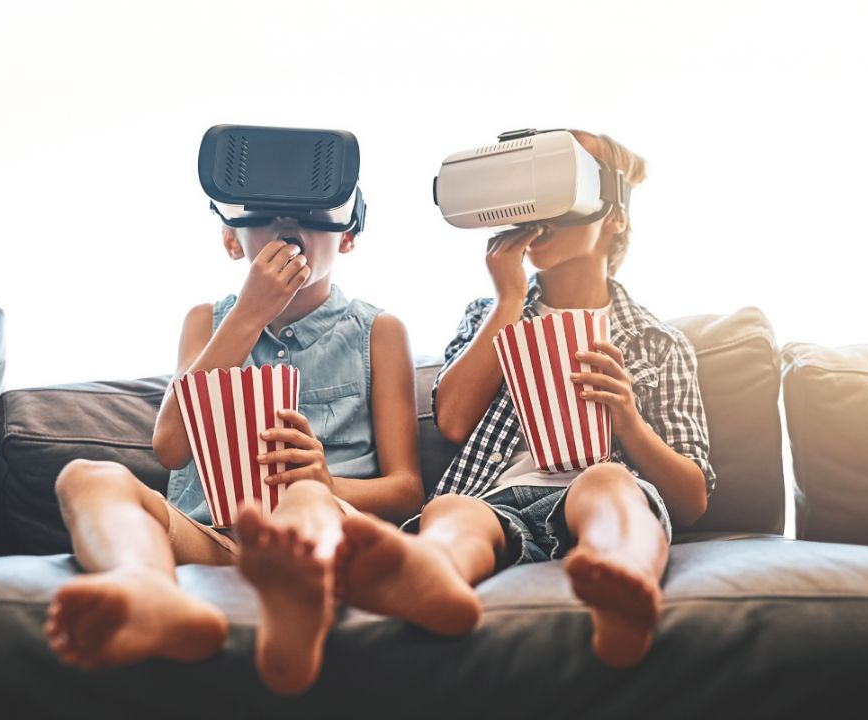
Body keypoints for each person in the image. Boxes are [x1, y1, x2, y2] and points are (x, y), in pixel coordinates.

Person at [43, 126, 424, 696]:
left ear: (346, 238)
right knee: (86, 478)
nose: (289, 235)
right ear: (231, 241)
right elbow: (170, 447)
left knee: (306, 496)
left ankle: (301, 600)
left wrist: (327, 481)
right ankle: (147, 590)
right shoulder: (206, 321)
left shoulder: (379, 332)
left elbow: (407, 490)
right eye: (268, 220)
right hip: (213, 537)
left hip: (323, 528)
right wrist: (247, 316)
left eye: (310, 218)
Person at [338, 129, 715, 669]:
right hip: (494, 499)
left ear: (613, 217)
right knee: (451, 510)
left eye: (563, 201)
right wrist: (509, 298)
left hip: (597, 490)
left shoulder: (659, 344)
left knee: (607, 481)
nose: (540, 219)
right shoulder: (488, 317)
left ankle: (624, 578)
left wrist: (628, 420)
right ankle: (432, 578)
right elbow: (452, 419)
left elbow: (693, 497)